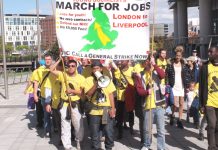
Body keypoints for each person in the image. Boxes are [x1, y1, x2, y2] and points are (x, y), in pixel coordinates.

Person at [50, 58, 85, 150]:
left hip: (75, 105)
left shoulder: (81, 78)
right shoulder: (63, 75)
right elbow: (51, 70)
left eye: (73, 66)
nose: (70, 67)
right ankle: (67, 146)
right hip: (64, 105)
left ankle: (78, 140)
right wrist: (59, 59)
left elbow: (82, 93)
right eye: (68, 66)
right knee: (65, 125)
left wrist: (72, 91)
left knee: (78, 125)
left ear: (76, 67)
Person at [83, 60, 116, 150]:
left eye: (97, 68)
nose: (95, 70)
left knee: (109, 132)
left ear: (101, 69)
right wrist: (96, 84)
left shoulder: (107, 78)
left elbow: (111, 95)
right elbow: (88, 94)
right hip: (94, 111)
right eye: (93, 69)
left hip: (106, 109)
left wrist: (113, 108)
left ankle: (109, 148)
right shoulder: (88, 80)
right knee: (95, 133)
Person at [134, 55, 166, 150]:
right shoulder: (140, 74)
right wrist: (147, 92)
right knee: (147, 129)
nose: (148, 63)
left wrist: (155, 65)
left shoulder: (156, 71)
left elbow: (163, 75)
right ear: (145, 62)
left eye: (150, 60)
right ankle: (146, 145)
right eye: (147, 61)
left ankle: (161, 148)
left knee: (161, 130)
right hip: (147, 105)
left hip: (159, 104)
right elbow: (139, 90)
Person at [166, 46, 191, 129]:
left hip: (182, 86)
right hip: (174, 86)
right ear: (175, 55)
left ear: (181, 56)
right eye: (177, 56)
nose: (178, 57)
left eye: (179, 56)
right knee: (175, 104)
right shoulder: (170, 64)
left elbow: (187, 75)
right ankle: (172, 115)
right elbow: (167, 75)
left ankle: (179, 120)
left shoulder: (184, 64)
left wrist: (188, 85)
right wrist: (167, 84)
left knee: (181, 104)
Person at [199, 46, 218, 150]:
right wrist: (201, 104)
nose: (209, 54)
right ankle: (211, 147)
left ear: (217, 53)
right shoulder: (205, 67)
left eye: (211, 52)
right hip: (209, 101)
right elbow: (201, 86)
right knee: (211, 125)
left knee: (217, 126)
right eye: (208, 52)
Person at [113, 60, 135, 139]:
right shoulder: (118, 70)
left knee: (130, 112)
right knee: (119, 116)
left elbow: (136, 81)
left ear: (127, 61)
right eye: (120, 60)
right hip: (120, 97)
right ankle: (120, 133)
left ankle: (131, 127)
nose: (121, 62)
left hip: (129, 95)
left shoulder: (132, 70)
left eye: (123, 60)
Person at [33, 54, 52, 135]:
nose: (47, 60)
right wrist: (35, 94)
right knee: (46, 114)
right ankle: (48, 130)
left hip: (55, 96)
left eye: (49, 59)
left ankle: (55, 127)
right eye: (46, 59)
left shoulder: (55, 69)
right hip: (44, 96)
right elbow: (36, 82)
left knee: (56, 115)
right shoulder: (39, 70)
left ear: (52, 60)